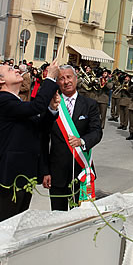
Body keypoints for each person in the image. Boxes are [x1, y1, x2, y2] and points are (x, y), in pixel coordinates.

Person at [0, 60, 60, 226]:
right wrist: (49, 78)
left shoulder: (18, 103)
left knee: (17, 226)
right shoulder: (3, 101)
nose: (15, 70)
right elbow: (36, 107)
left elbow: (40, 128)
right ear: (0, 80)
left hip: (24, 175)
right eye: (9, 69)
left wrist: (51, 109)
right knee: (2, 227)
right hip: (10, 175)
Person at [45, 65, 102, 211]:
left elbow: (96, 132)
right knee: (58, 216)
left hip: (81, 170)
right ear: (57, 82)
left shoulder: (90, 105)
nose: (66, 81)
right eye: (61, 78)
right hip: (57, 172)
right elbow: (43, 139)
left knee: (80, 216)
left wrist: (82, 141)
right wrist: (45, 171)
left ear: (76, 79)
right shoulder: (52, 104)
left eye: (69, 77)